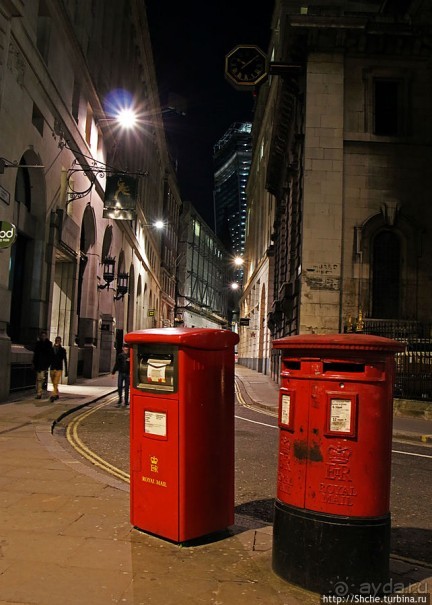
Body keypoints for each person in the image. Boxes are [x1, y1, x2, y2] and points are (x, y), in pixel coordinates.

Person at [32, 331, 53, 399]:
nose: (43, 337)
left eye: (44, 336)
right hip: (38, 364)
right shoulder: (38, 344)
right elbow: (35, 355)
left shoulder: (49, 344)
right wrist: (33, 363)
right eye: (42, 336)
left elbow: (50, 355)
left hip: (44, 364)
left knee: (41, 378)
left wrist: (48, 364)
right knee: (39, 378)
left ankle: (39, 392)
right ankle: (39, 393)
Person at [49, 336, 68, 402]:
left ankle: (53, 395)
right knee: (53, 383)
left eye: (59, 340)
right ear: (55, 340)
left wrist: (66, 371)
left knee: (56, 382)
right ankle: (56, 393)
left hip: (59, 368)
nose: (57, 341)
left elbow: (65, 360)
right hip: (52, 367)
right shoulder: (51, 349)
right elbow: (49, 359)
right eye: (56, 340)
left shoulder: (63, 350)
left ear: (60, 341)